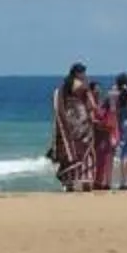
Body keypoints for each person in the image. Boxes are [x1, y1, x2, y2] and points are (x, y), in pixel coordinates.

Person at [51, 64, 105, 192]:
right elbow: (91, 105)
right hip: (81, 120)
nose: (85, 75)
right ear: (78, 73)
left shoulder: (64, 86)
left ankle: (69, 183)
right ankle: (86, 182)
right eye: (83, 73)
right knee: (86, 150)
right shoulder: (83, 86)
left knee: (71, 150)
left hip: (69, 121)